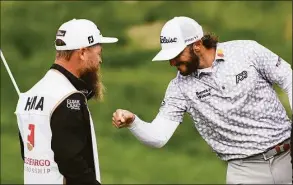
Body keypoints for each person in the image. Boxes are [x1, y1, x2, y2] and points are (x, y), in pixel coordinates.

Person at [112, 16, 292, 184]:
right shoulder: (179, 88)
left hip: (288, 155)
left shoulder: (247, 51)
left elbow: (288, 79)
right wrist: (133, 122)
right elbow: (158, 137)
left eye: (176, 55)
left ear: (197, 45)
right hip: (243, 171)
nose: (172, 63)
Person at [15, 18, 118, 184]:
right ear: (83, 52)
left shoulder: (29, 95)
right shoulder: (68, 97)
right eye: (98, 54)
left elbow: (27, 154)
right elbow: (73, 165)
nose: (100, 61)